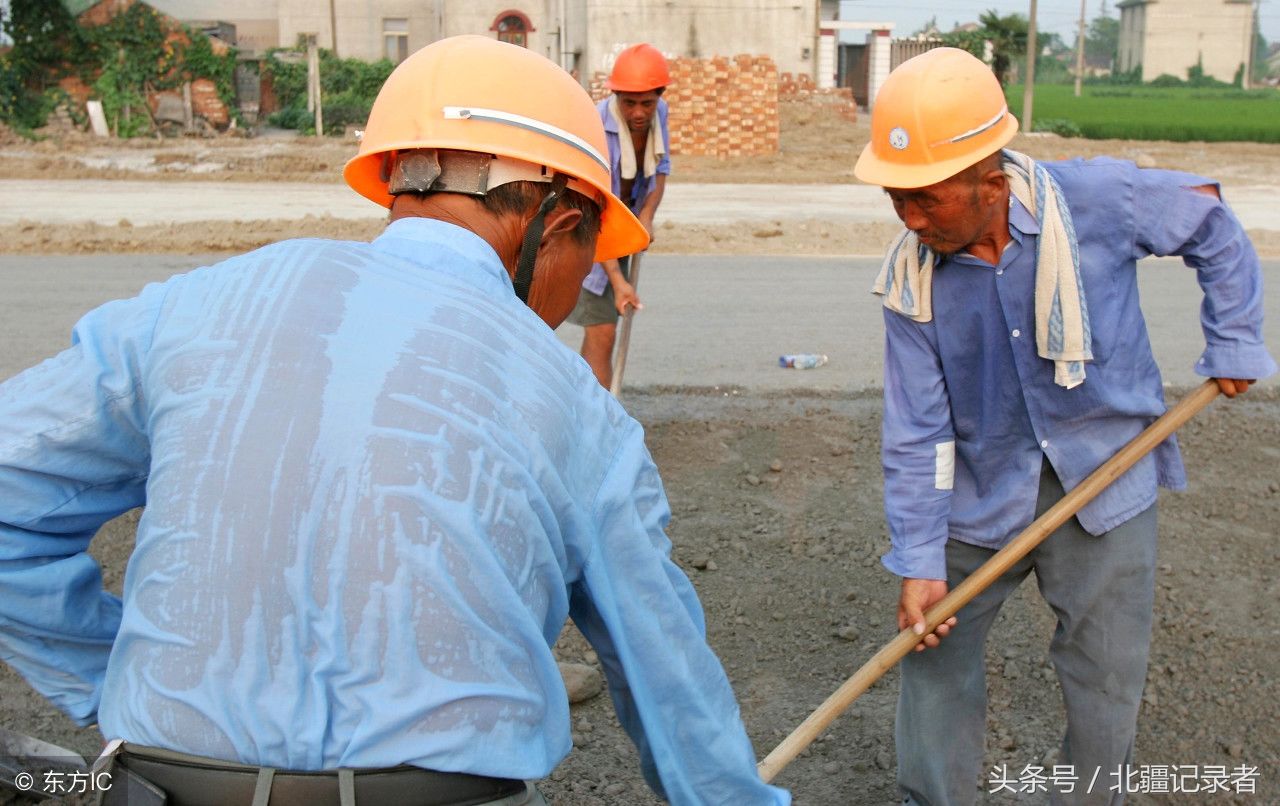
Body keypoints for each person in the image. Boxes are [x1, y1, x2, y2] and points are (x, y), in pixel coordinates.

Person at [0, 36, 789, 806]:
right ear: (555, 218)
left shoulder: (192, 307)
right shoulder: (581, 413)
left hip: (164, 786)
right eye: (590, 250)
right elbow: (666, 676)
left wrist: (125, 680)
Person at [854, 47, 1275, 806]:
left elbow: (1210, 217)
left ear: (990, 183)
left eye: (927, 200)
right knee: (932, 653)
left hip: (1106, 468)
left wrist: (1235, 339)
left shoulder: (1097, 199)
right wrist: (919, 560)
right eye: (897, 199)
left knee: (1106, 669)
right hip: (982, 487)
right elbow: (918, 430)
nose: (911, 220)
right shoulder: (913, 280)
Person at [567, 42, 672, 388]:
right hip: (586, 227)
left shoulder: (661, 115)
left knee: (601, 330)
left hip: (622, 227)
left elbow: (660, 171)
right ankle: (596, 419)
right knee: (602, 331)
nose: (639, 112)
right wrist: (617, 280)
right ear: (617, 97)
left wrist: (646, 214)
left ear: (659, 95)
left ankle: (585, 405)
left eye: (647, 102)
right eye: (629, 103)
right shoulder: (597, 123)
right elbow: (597, 203)